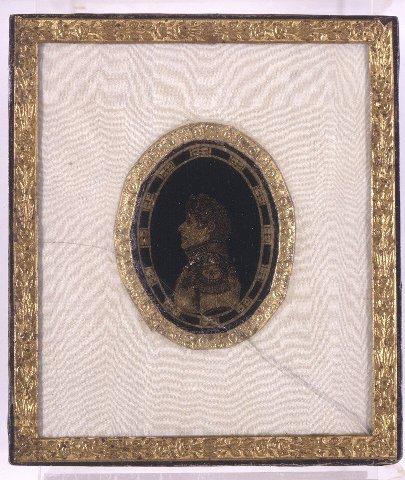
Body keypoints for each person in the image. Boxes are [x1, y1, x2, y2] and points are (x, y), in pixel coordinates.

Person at [174, 194, 240, 326]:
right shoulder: (198, 265)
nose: (180, 227)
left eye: (189, 222)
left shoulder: (211, 266)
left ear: (209, 228)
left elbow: (212, 319)